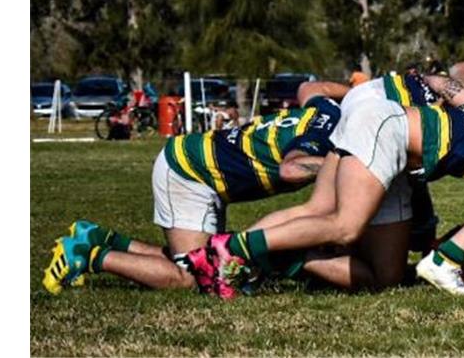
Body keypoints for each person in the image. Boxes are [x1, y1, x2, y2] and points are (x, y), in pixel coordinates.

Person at [183, 74, 464, 301]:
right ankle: (228, 251)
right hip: (385, 132)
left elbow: (455, 88)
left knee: (384, 273)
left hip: (385, 132)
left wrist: (431, 79)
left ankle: (277, 260)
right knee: (344, 226)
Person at [41, 85, 343, 294]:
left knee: (197, 258)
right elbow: (290, 169)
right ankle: (88, 254)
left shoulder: (330, 108)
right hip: (190, 173)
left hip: (199, 162)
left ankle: (97, 236)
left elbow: (310, 88)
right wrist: (342, 164)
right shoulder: (326, 134)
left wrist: (359, 88)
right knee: (193, 277)